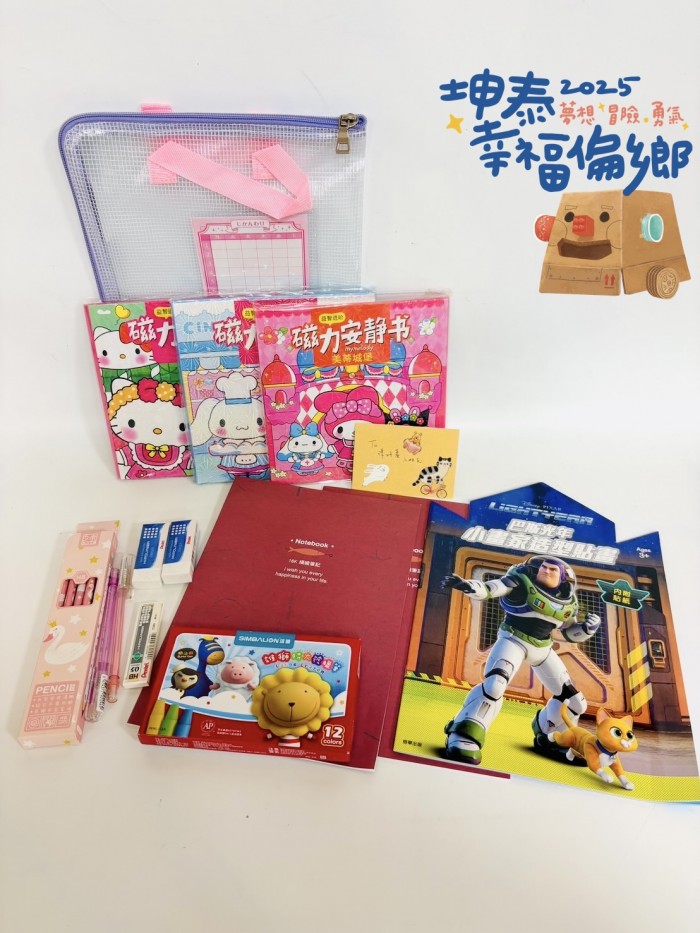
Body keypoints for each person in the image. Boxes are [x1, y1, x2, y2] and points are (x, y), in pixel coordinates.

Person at [442, 555, 601, 765]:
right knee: (495, 685)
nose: (546, 570)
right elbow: (491, 588)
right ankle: (464, 734)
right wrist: (469, 586)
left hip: (542, 648)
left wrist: (588, 629)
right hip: (513, 640)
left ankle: (554, 739)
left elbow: (570, 633)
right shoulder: (520, 581)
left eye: (553, 569)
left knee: (575, 702)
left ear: (563, 578)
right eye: (544, 567)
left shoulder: (567, 600)